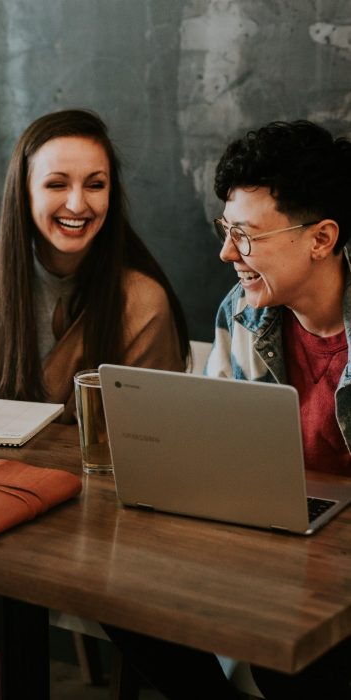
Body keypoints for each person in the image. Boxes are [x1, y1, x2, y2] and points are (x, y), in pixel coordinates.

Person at [0, 108, 190, 700]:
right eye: (57, 183)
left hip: (94, 522)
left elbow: (152, 448)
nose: (78, 203)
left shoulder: (140, 300)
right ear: (25, 191)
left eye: (95, 184)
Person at [105, 120, 351, 699]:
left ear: (320, 239)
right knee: (119, 597)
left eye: (246, 235)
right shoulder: (242, 312)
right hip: (272, 548)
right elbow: (214, 456)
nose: (225, 252)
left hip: (332, 575)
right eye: (225, 229)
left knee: (285, 656)